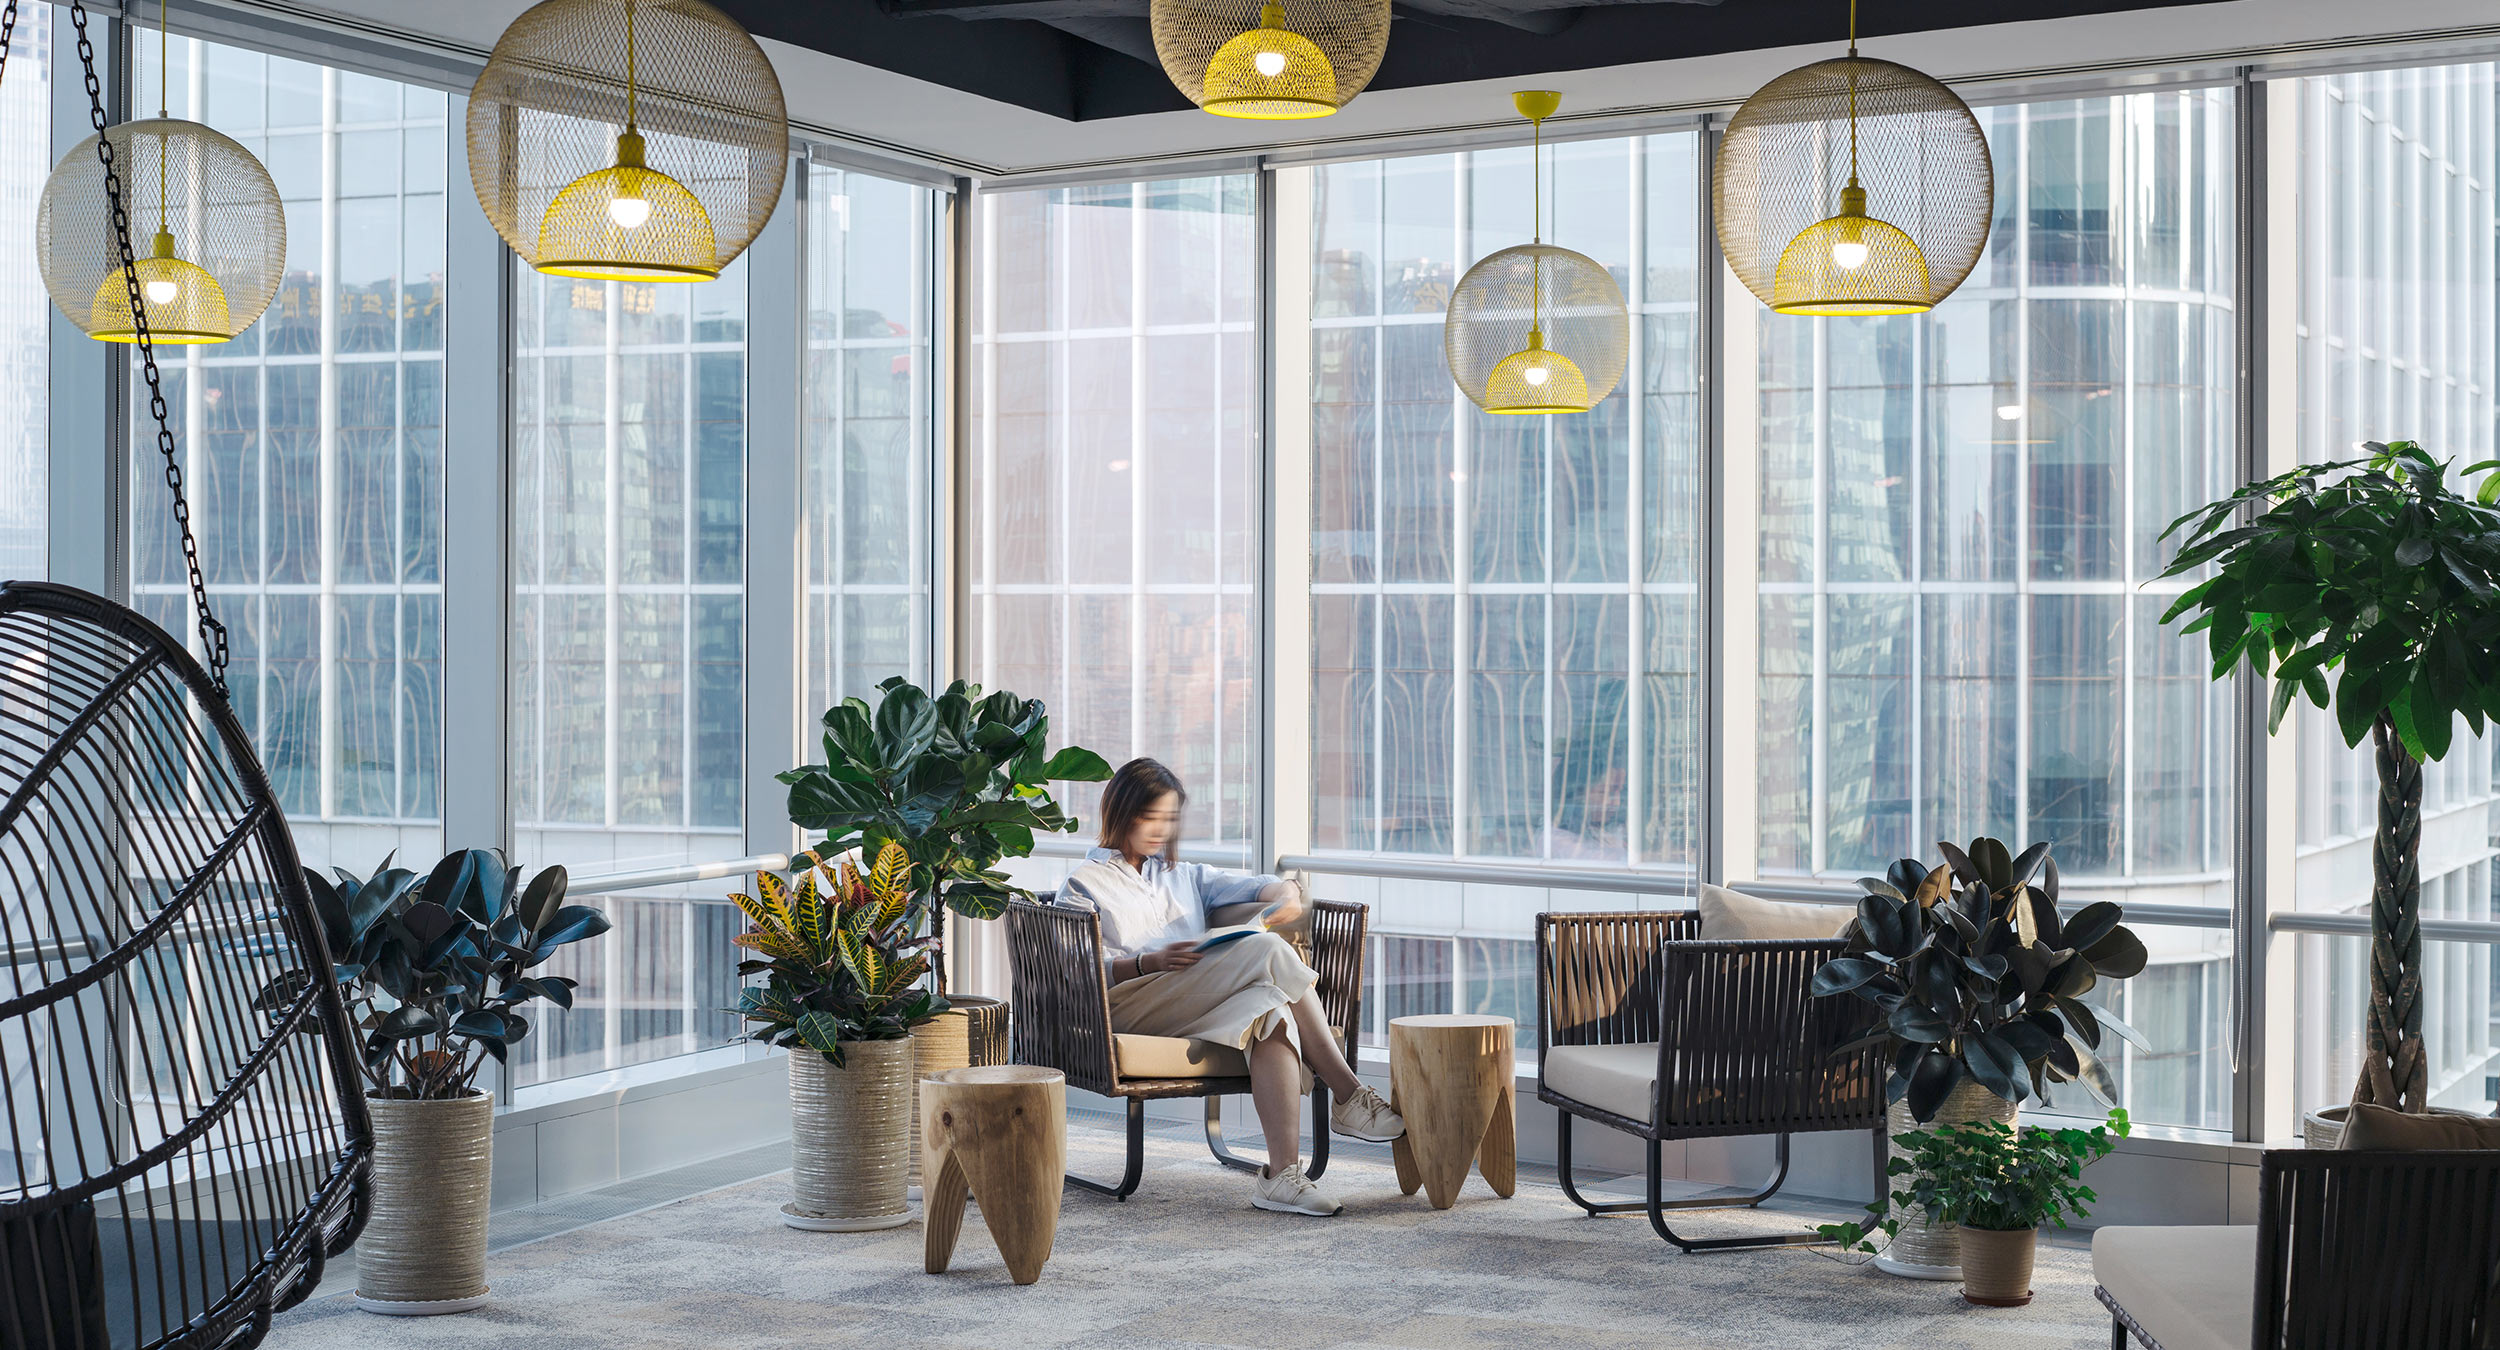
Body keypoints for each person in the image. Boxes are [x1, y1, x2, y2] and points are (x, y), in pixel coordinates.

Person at [1059, 758, 1403, 1216]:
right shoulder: (1083, 883)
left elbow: (1270, 886)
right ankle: (1348, 1094)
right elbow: (1074, 969)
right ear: (1120, 811)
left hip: (1191, 1000)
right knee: (1270, 951)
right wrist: (1145, 961)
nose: (1162, 830)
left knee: (1272, 1012)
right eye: (1151, 817)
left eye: (1170, 819)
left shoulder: (1183, 876)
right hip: (1125, 1005)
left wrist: (1284, 900)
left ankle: (1281, 1177)